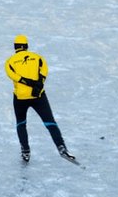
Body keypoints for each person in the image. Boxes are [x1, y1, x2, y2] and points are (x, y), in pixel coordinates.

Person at [5, 35, 76, 163]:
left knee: (21, 124)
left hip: (20, 98)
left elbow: (13, 76)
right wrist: (38, 84)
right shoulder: (38, 57)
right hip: (38, 96)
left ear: (15, 47)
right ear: (26, 46)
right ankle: (61, 147)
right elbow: (44, 70)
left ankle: (25, 151)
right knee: (50, 122)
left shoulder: (9, 61)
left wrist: (27, 82)